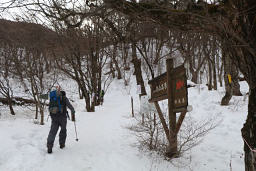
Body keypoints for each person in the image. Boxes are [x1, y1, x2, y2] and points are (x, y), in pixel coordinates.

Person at [47, 86, 75, 154]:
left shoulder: (53, 98)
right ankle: (62, 144)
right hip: (62, 117)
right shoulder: (64, 98)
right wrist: (73, 110)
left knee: (53, 132)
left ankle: (49, 146)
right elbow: (69, 105)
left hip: (54, 117)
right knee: (63, 131)